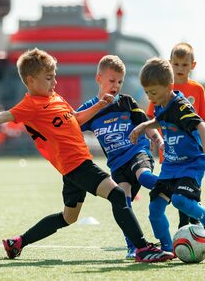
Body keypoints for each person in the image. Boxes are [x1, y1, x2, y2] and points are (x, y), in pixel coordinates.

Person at [0, 48, 174, 263]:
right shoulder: (30, 105)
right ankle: (142, 248)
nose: (54, 82)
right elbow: (0, 116)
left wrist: (99, 106)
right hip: (77, 165)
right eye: (49, 78)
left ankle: (18, 242)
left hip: (72, 169)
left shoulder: (55, 98)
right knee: (117, 194)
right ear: (30, 80)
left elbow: (75, 120)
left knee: (69, 217)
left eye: (54, 77)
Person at [130, 57, 205, 252]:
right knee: (155, 209)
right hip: (170, 166)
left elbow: (201, 124)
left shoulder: (180, 106)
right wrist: (143, 126)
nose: (150, 97)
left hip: (190, 164)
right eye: (147, 92)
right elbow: (160, 119)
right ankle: (166, 249)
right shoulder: (161, 103)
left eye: (153, 92)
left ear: (168, 86)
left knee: (180, 200)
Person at [77, 55, 164, 258]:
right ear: (99, 79)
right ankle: (133, 247)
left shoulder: (126, 102)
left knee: (143, 175)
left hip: (137, 152)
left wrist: (159, 143)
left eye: (119, 81)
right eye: (111, 80)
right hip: (117, 165)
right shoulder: (91, 109)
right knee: (123, 201)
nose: (116, 85)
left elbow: (147, 125)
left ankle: (171, 190)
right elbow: (72, 122)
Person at [146, 42, 205, 230]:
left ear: (193, 66)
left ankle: (191, 226)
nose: (180, 69)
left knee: (187, 189)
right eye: (176, 64)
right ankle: (185, 227)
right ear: (169, 63)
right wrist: (154, 137)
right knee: (171, 191)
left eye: (184, 65)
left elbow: (203, 120)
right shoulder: (163, 89)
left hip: (192, 151)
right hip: (171, 150)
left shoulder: (197, 89)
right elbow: (151, 117)